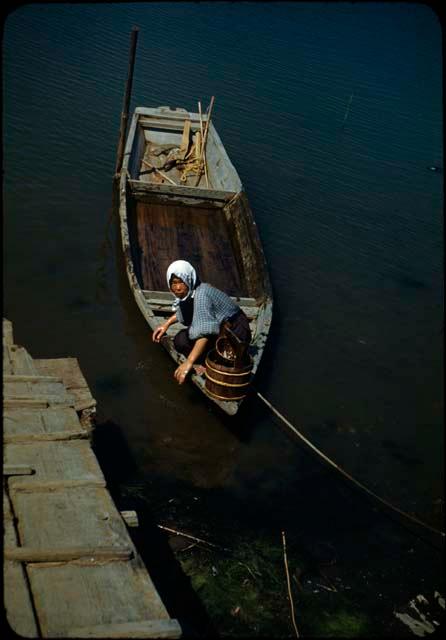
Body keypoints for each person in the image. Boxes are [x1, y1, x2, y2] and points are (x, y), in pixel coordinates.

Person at [152, 260, 251, 384]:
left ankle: (207, 362)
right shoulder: (192, 291)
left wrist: (189, 362)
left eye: (181, 282)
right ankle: (205, 359)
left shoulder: (202, 294)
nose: (177, 288)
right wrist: (166, 324)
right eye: (173, 283)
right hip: (220, 329)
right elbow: (185, 310)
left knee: (224, 359)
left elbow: (204, 333)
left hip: (236, 330)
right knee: (180, 340)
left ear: (188, 280)